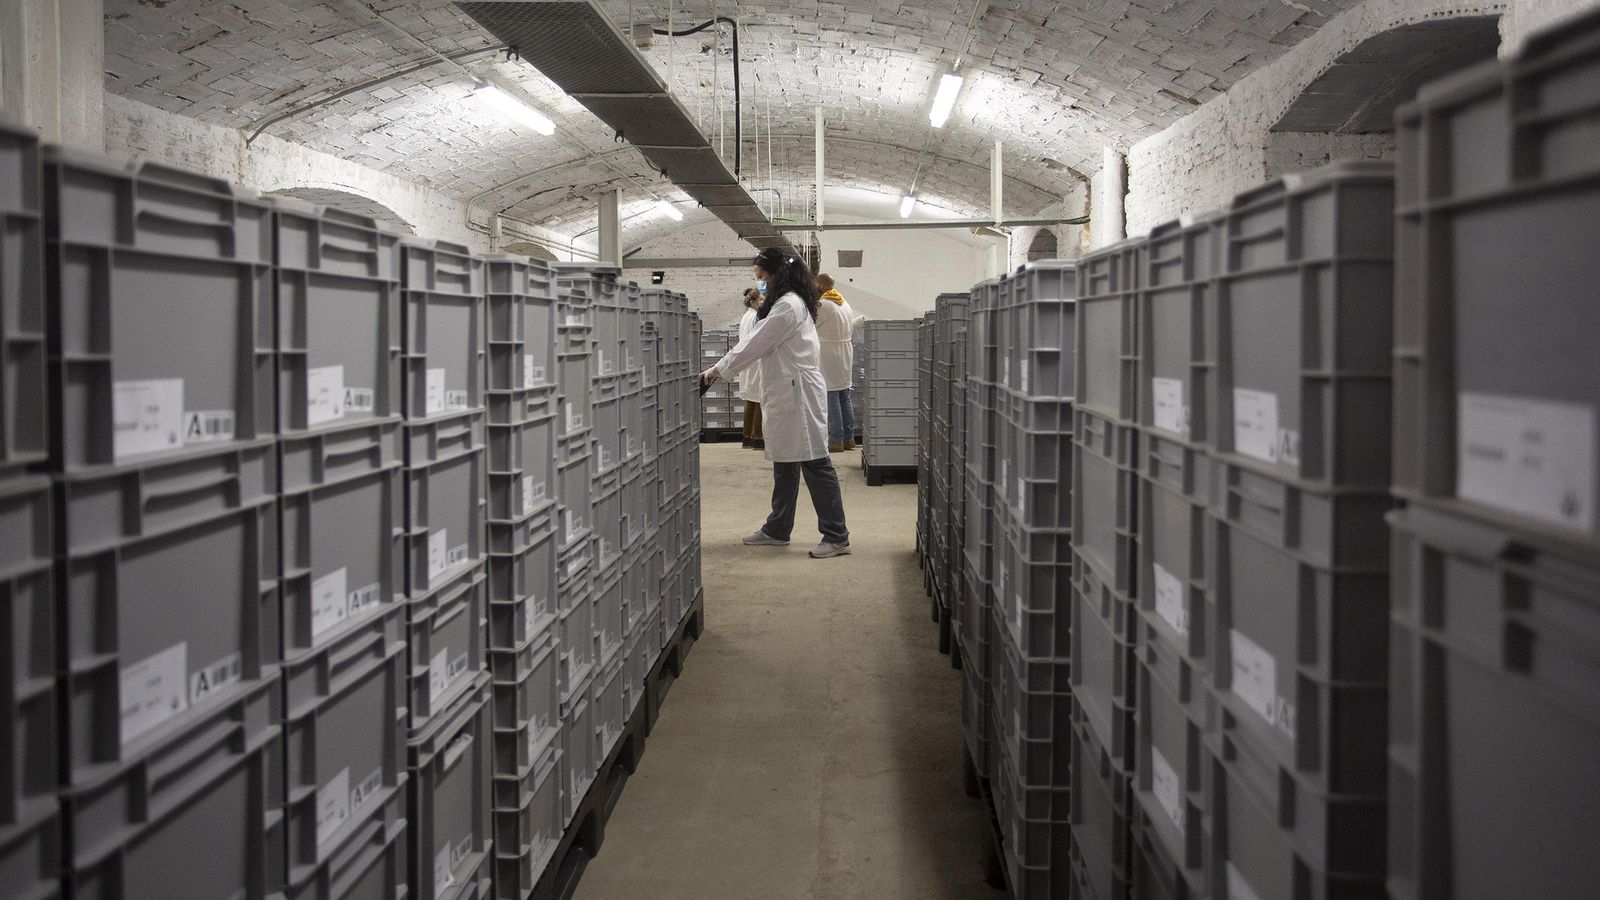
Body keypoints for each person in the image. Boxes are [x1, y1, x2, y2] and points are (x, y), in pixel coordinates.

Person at [701, 248, 851, 559]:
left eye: (762, 278)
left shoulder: (788, 306)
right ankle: (778, 529)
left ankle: (836, 535)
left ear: (777, 274)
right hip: (787, 389)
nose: (760, 285)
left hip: (798, 393)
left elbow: (754, 344)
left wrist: (716, 370)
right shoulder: (787, 303)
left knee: (815, 461)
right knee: (785, 462)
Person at [814, 274, 865, 452]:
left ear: (820, 285)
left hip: (829, 353)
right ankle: (849, 439)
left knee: (831, 395)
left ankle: (835, 440)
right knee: (844, 395)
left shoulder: (823, 305)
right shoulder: (845, 303)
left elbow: (810, 326)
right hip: (845, 352)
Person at [737, 288, 765, 449]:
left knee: (751, 400)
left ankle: (747, 437)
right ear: (753, 301)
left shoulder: (746, 316)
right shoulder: (755, 316)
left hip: (747, 361)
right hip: (756, 361)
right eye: (760, 300)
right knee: (760, 400)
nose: (763, 302)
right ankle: (758, 438)